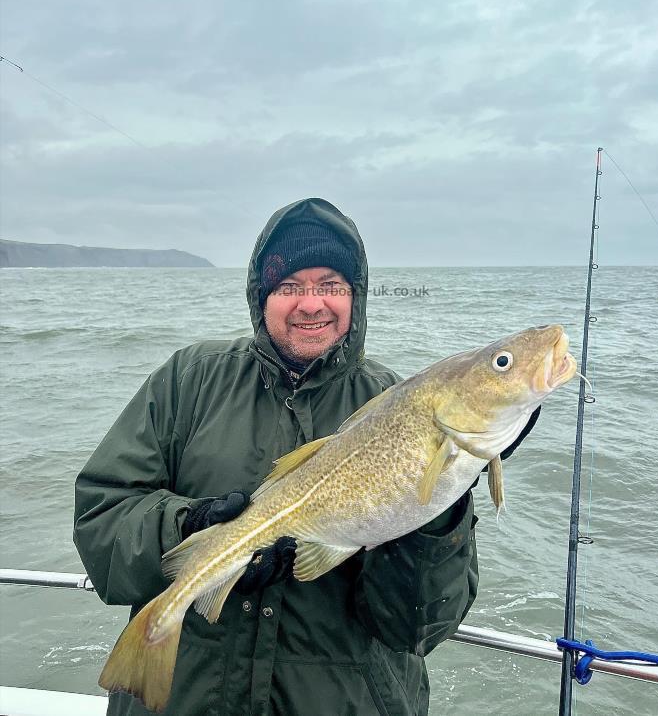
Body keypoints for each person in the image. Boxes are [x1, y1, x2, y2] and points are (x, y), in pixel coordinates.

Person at [74, 196, 537, 716]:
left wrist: (444, 504)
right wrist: (190, 530)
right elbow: (101, 518)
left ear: (355, 297)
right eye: (290, 286)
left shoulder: (395, 399)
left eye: (331, 286)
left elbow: (418, 627)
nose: (311, 303)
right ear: (261, 296)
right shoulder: (190, 379)